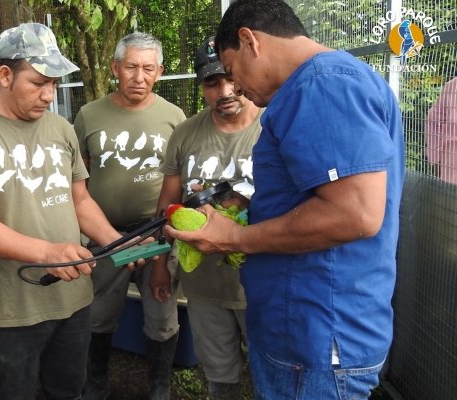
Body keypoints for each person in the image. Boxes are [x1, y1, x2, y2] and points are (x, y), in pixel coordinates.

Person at [164, 1, 405, 398]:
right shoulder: (315, 86)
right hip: (305, 332)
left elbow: (354, 214)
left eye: (232, 69)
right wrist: (248, 209)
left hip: (316, 335)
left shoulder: (322, 85)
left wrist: (235, 239)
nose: (235, 86)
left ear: (249, 41)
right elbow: (318, 197)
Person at [0, 23, 141, 400]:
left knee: (68, 389)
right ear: (5, 75)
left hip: (73, 296)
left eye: (55, 84)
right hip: (12, 304)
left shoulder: (60, 128)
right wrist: (47, 253)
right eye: (38, 82)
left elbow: (80, 201)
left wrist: (118, 242)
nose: (48, 95)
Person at [74, 31, 186, 400]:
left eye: (148, 69)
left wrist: (165, 236)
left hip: (157, 234)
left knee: (162, 315)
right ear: (115, 68)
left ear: (160, 72)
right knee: (99, 314)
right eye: (132, 67)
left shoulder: (174, 117)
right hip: (106, 233)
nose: (139, 77)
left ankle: (160, 387)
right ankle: (95, 384)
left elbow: (180, 182)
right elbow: (79, 178)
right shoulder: (89, 115)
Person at [149, 36, 262, 400]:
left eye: (230, 77)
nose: (225, 90)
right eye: (212, 82)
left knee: (270, 375)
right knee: (219, 378)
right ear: (201, 85)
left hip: (262, 283)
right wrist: (160, 265)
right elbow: (166, 206)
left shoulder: (273, 126)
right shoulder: (185, 133)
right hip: (203, 285)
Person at [425, 76, 457, 184]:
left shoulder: (453, 85)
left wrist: (436, 158)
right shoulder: (452, 85)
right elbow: (433, 120)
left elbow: (432, 120)